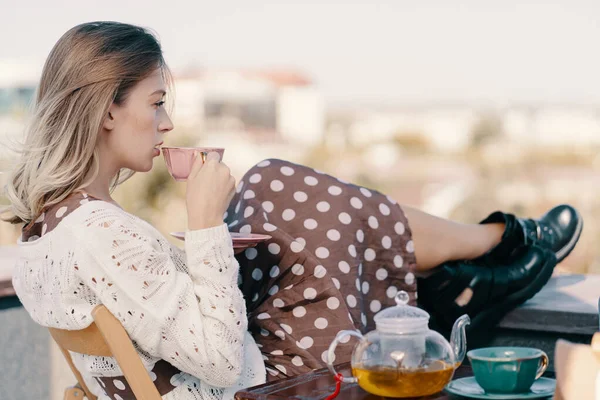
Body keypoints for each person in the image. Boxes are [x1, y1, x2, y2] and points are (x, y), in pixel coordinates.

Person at [2, 21, 582, 400]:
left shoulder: (46, 231)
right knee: (304, 201)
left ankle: (467, 270)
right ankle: (488, 251)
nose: (167, 123)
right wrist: (204, 226)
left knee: (272, 184)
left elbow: (155, 318)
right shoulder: (105, 235)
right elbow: (223, 361)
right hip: (262, 386)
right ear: (107, 110)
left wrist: (199, 246)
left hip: (212, 366)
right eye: (155, 103)